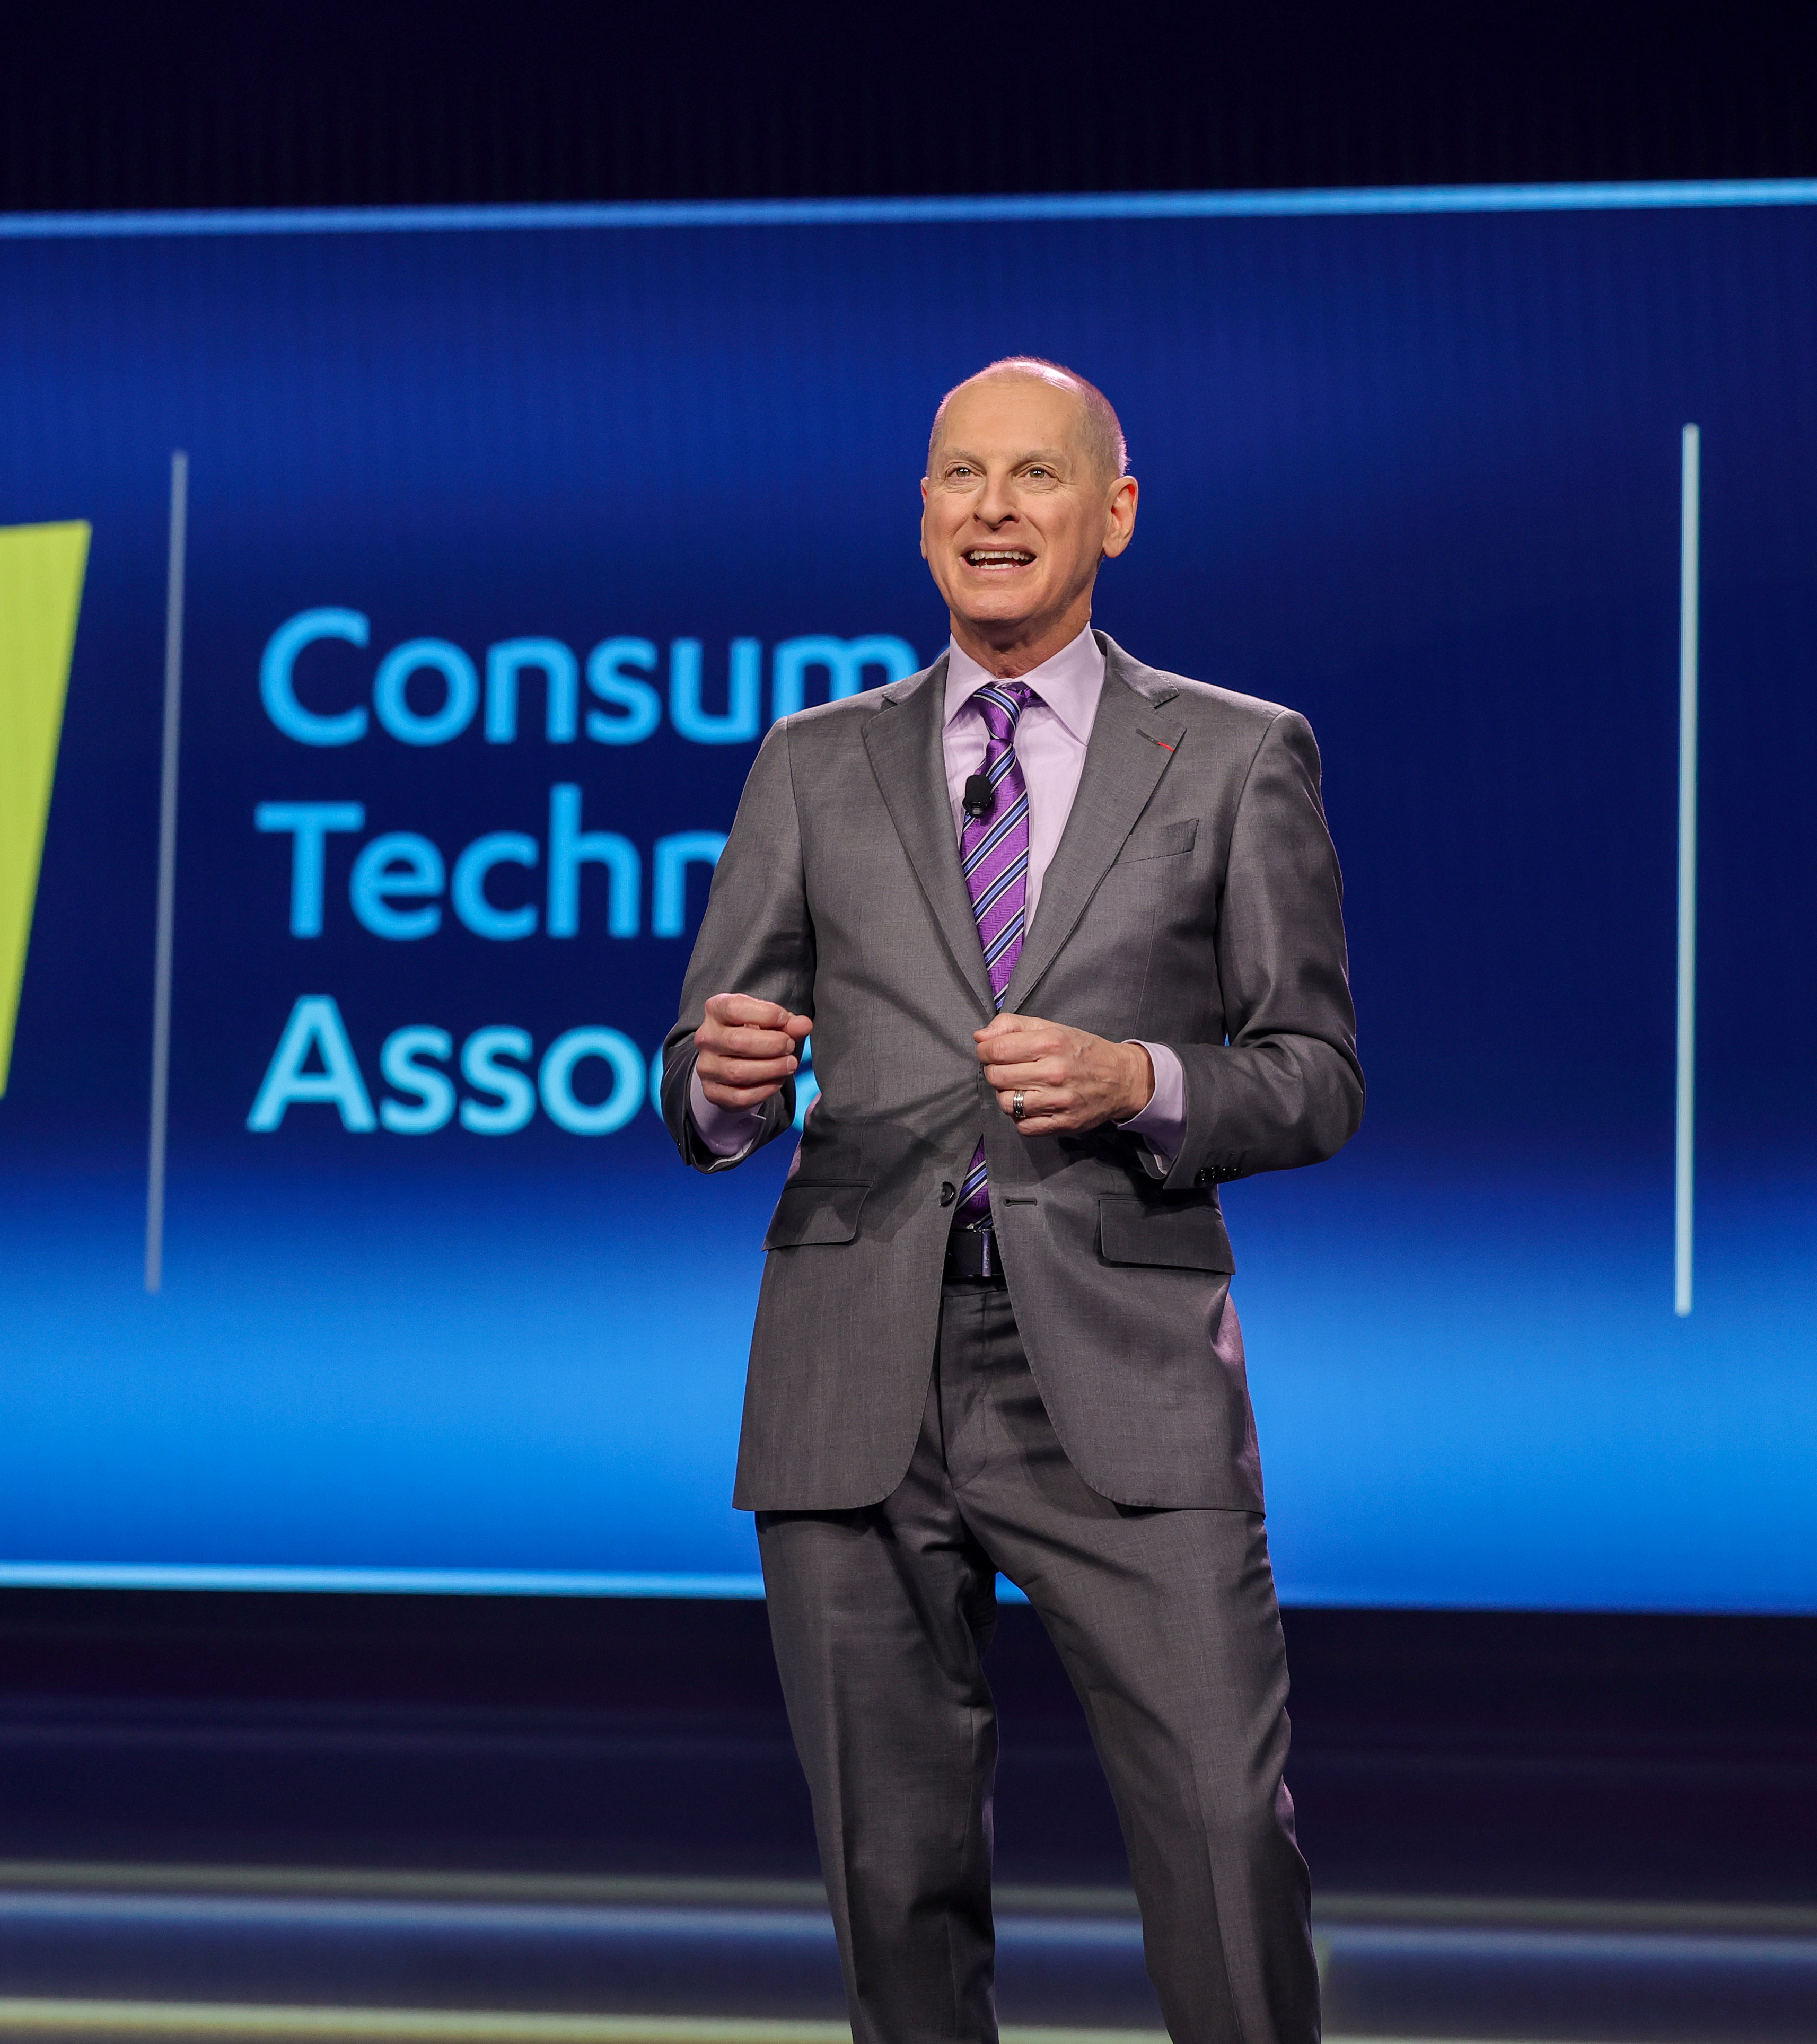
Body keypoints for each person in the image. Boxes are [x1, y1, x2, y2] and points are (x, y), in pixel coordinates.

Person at [661, 357, 1360, 2043]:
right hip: (855, 1372)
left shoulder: (1234, 756)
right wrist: (721, 1079)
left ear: (1109, 511)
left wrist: (1144, 1082)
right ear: (920, 516)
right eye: (959, 478)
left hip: (1115, 1365)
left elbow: (1315, 1073)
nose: (991, 510)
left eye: (1034, 477)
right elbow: (703, 1057)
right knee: (889, 1879)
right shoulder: (811, 762)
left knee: (1216, 1837)